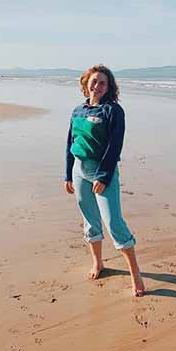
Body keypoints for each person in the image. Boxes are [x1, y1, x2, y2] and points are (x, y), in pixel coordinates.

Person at [64, 64, 145, 297]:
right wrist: (68, 173)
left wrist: (104, 175)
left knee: (114, 223)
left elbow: (114, 146)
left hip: (102, 172)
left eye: (102, 83)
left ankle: (135, 273)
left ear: (109, 87)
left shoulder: (113, 111)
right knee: (90, 221)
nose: (97, 86)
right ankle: (97, 263)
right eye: (94, 81)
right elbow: (70, 143)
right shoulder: (77, 110)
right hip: (79, 171)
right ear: (86, 82)